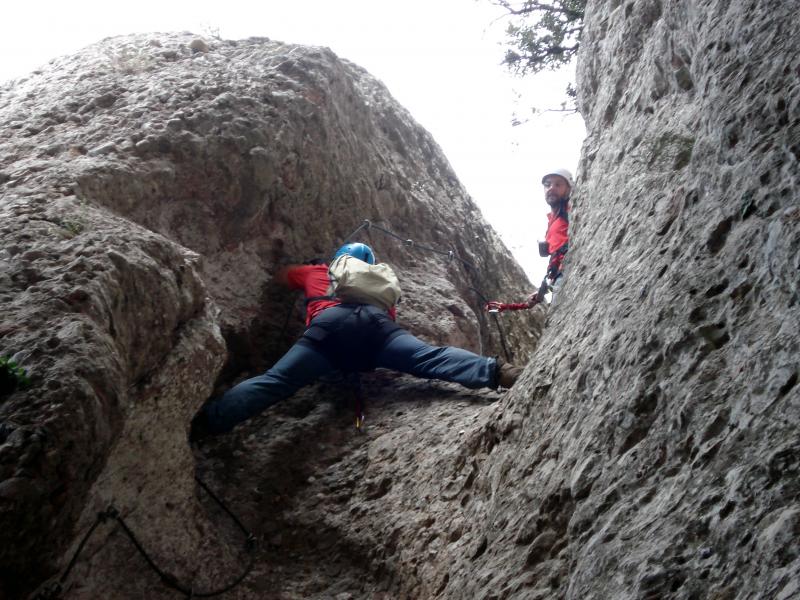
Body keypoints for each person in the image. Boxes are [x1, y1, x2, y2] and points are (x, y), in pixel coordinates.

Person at [191, 242, 522, 438]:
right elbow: (387, 322)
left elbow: (280, 275)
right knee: (428, 358)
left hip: (326, 330)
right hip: (375, 327)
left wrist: (305, 270)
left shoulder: (318, 272)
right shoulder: (378, 284)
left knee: (274, 382)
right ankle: (500, 372)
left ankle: (205, 424)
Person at [485, 167, 573, 313]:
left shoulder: (569, 209)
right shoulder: (552, 220)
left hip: (568, 270)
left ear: (569, 189)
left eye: (558, 184)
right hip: (559, 275)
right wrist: (541, 293)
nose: (551, 188)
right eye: (548, 184)